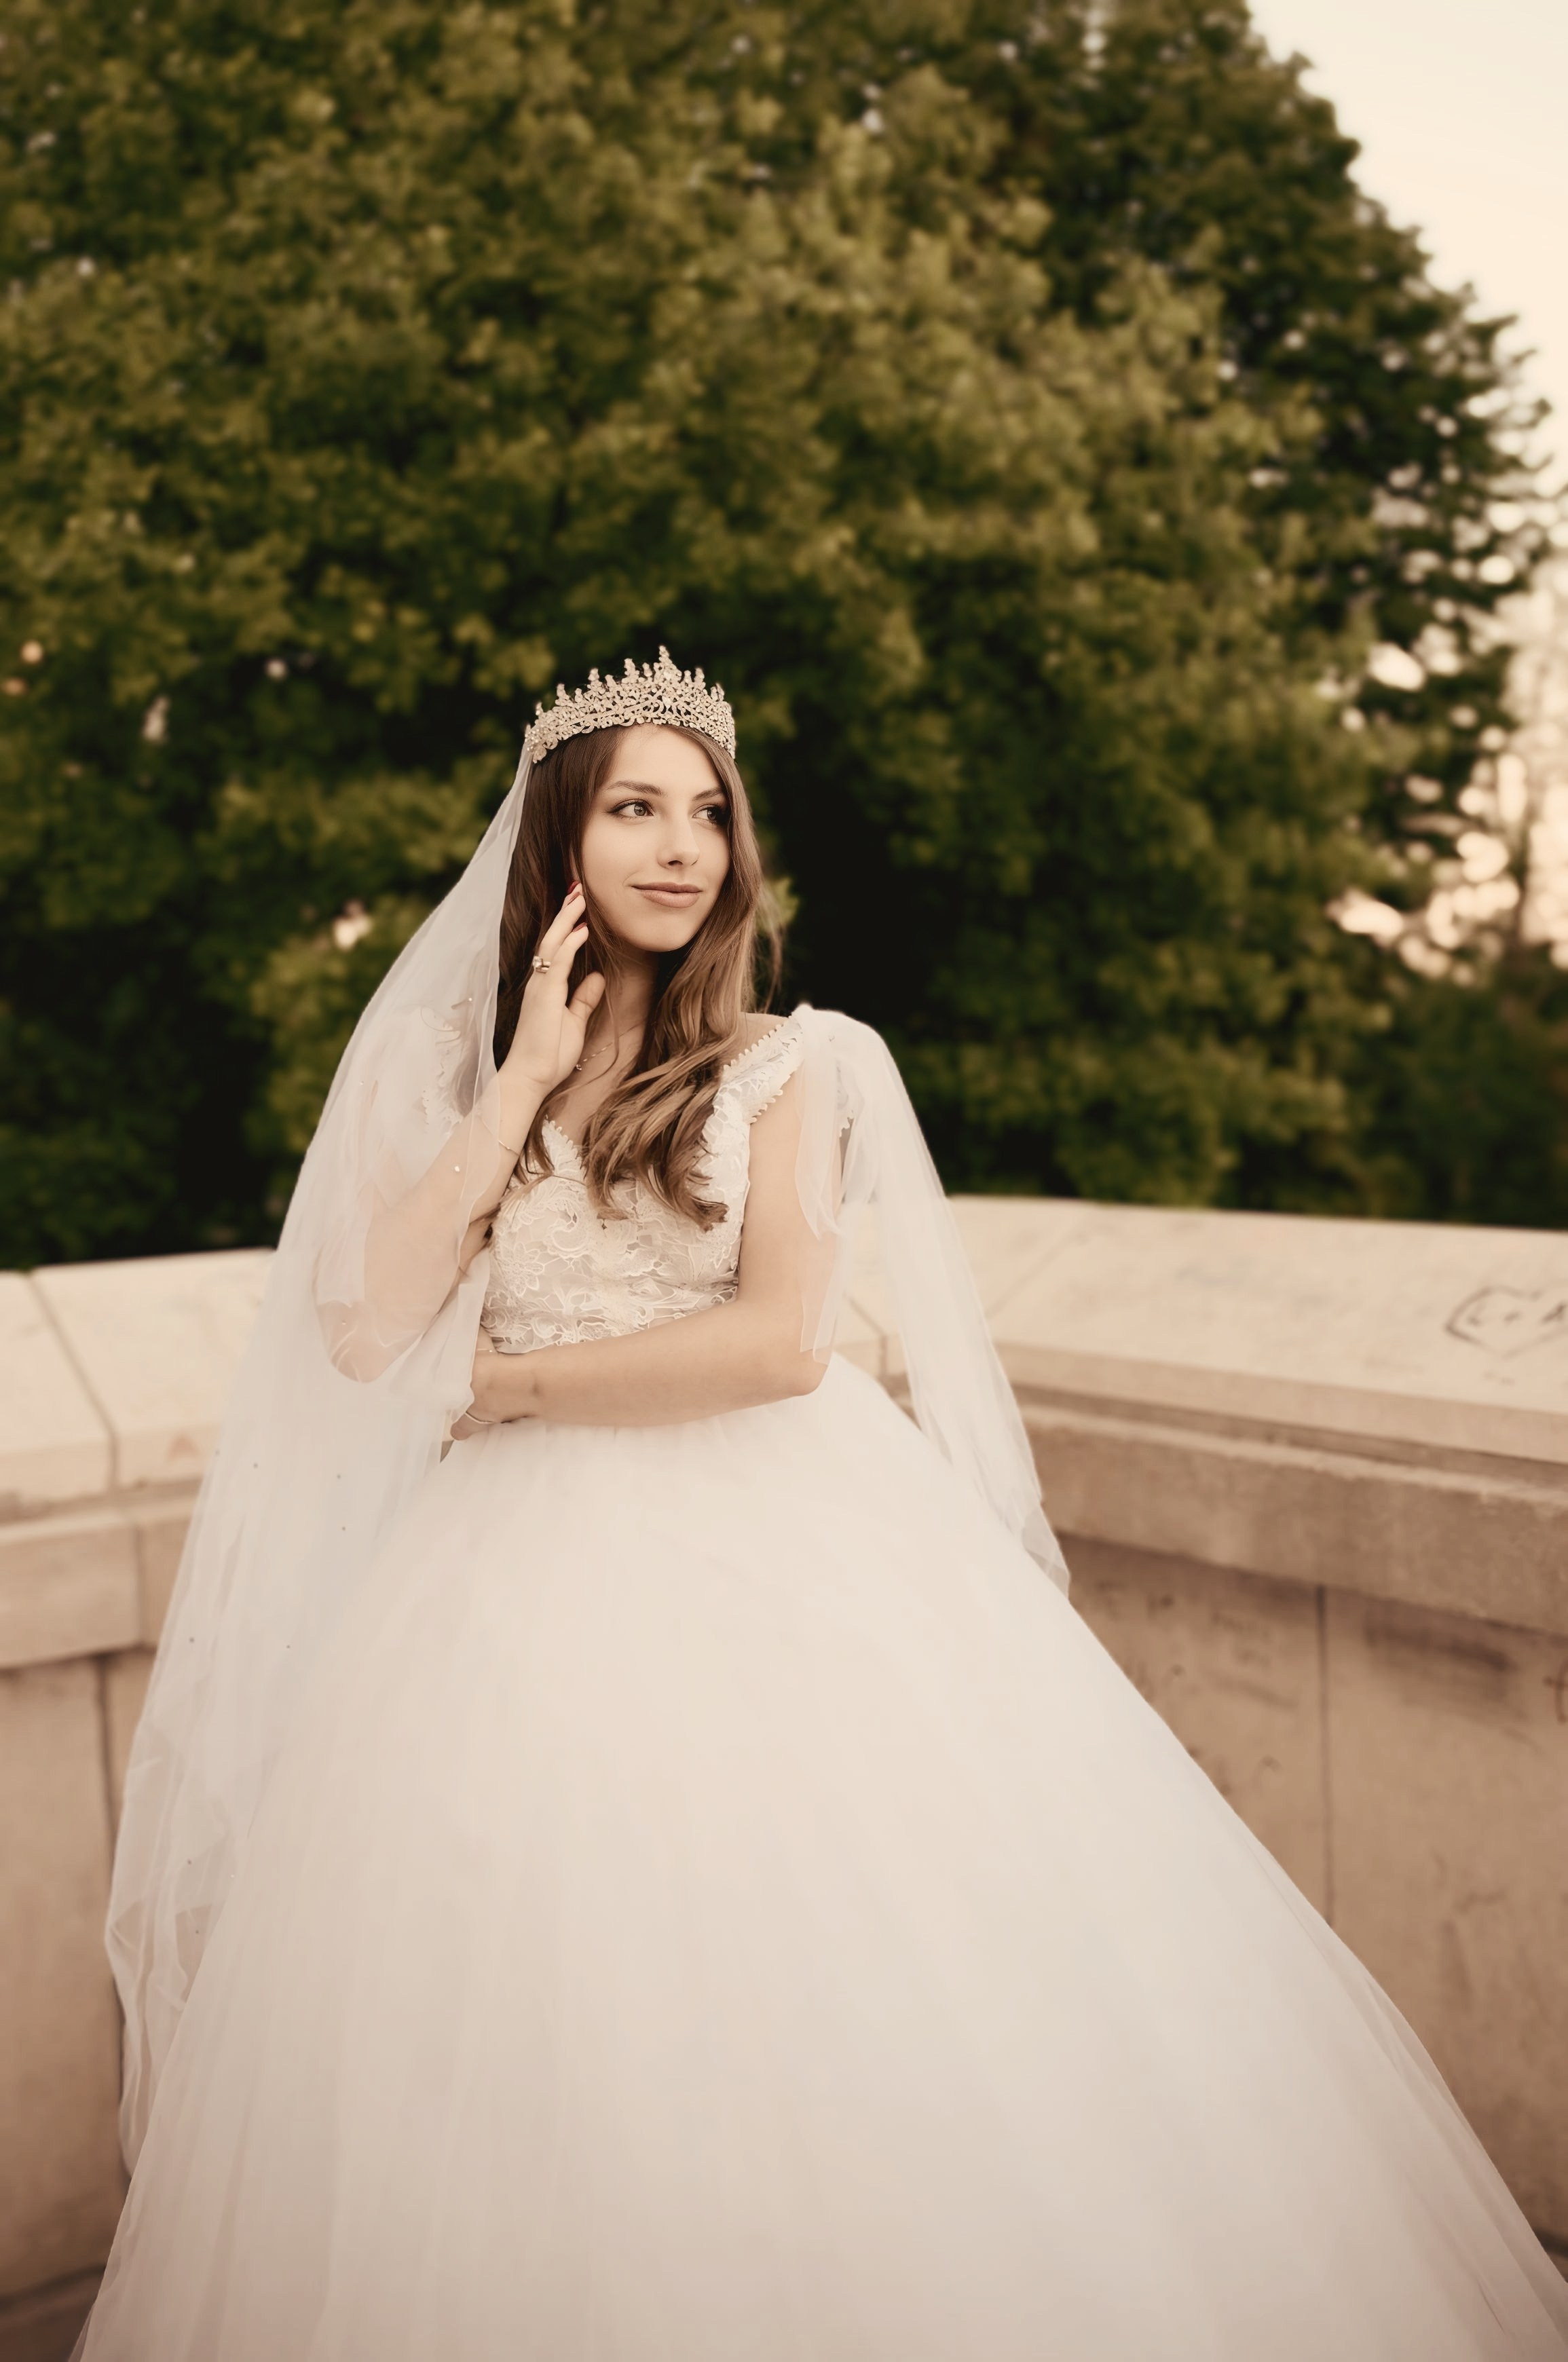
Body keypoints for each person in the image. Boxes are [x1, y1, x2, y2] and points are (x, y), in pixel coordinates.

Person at [79, 654, 1568, 2359]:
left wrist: (499, 1386)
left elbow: (781, 1344)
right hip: (498, 1600)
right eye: (636, 809)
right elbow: (361, 1329)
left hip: (775, 1556)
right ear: (559, 838)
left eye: (708, 813)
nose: (681, 847)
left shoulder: (795, 1063)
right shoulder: (447, 1065)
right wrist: (522, 1085)